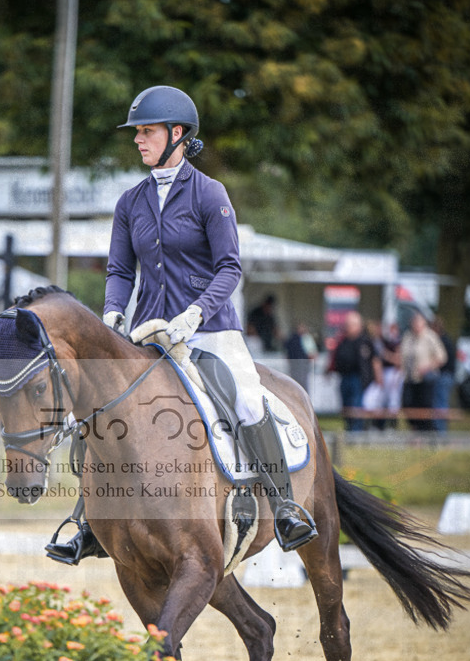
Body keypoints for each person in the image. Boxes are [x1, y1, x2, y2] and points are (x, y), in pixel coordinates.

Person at [46, 84, 317, 565]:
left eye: (146, 132)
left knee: (248, 399)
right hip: (149, 334)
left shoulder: (210, 194)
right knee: (101, 413)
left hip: (210, 330)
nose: (137, 140)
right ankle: (85, 522)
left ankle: (286, 505)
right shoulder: (131, 202)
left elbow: (229, 267)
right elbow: (120, 270)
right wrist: (112, 314)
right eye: (137, 133)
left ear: (176, 134)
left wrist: (196, 312)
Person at [330, 312, 379, 432]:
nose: (347, 327)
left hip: (358, 379)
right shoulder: (343, 341)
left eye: (350, 325)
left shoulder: (364, 341)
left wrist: (377, 378)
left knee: (356, 407)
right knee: (346, 407)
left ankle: (356, 432)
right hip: (345, 378)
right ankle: (349, 429)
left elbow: (374, 361)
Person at [400, 311, 447, 431]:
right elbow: (402, 354)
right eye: (413, 322)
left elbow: (441, 357)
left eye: (418, 322)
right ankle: (415, 429)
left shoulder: (430, 336)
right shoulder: (408, 336)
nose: (415, 325)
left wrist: (428, 367)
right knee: (407, 404)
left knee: (424, 407)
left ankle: (425, 433)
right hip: (410, 378)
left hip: (425, 379)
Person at [431, 316, 457, 432]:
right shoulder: (447, 340)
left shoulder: (441, 342)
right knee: (440, 403)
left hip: (443, 376)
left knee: (440, 404)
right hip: (447, 376)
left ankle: (440, 431)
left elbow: (441, 360)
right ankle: (439, 429)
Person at [284, 322, 318, 394]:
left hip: (302, 362)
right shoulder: (293, 339)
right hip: (296, 363)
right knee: (296, 382)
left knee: (302, 382)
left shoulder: (306, 338)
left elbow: (312, 352)